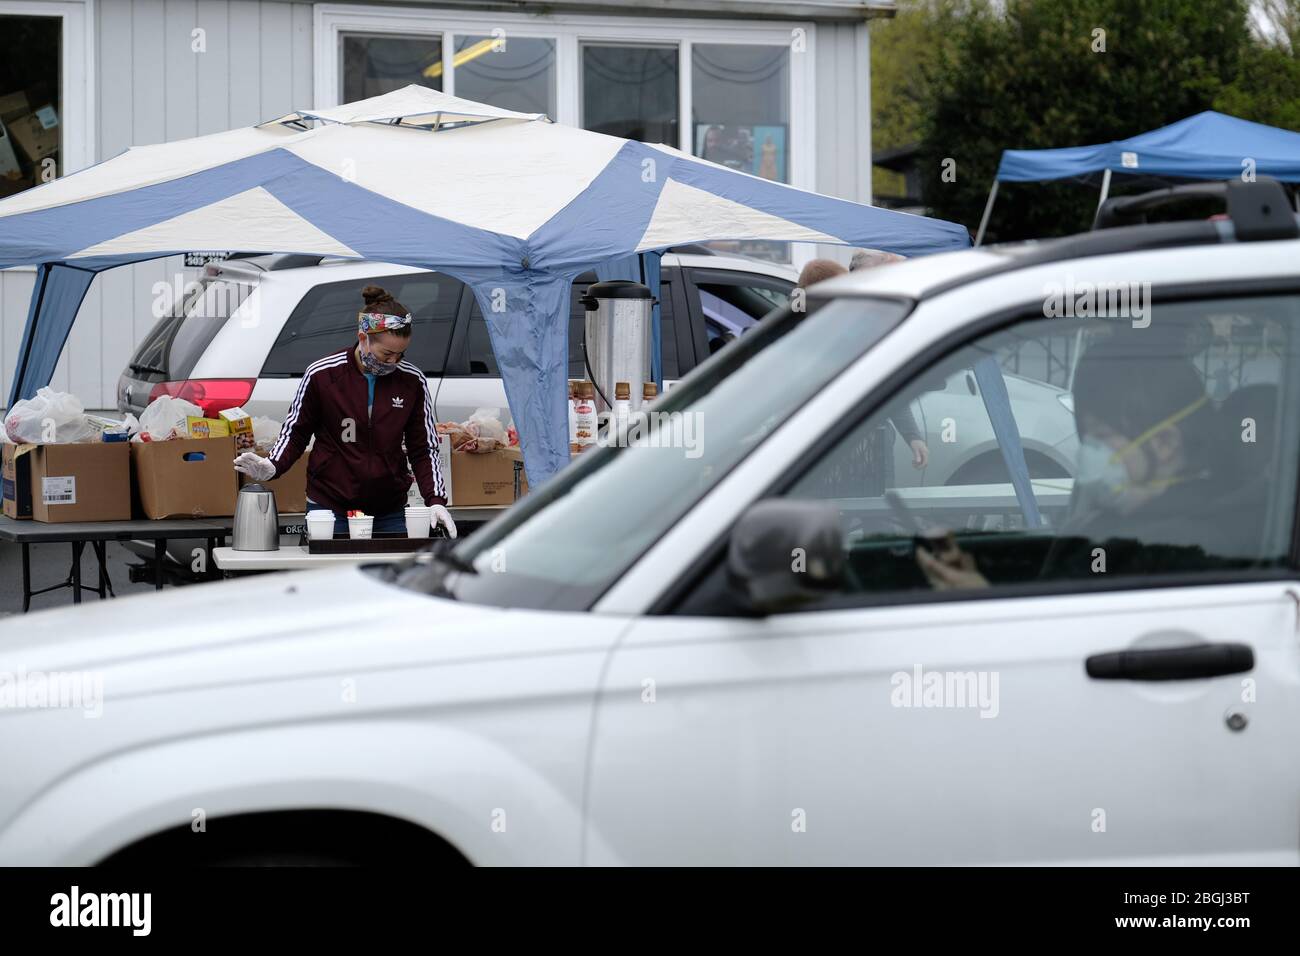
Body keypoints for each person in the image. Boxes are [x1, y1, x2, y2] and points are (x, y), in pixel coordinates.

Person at [917, 333, 1257, 589]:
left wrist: (982, 597)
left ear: (1165, 443)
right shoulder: (1124, 517)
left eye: (1103, 438)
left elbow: (1072, 642)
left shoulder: (1181, 545)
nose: (1089, 453)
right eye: (1088, 438)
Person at [233, 284, 456, 538]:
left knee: (386, 576)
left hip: (389, 508)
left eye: (400, 354)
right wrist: (273, 465)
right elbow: (296, 432)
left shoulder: (411, 381)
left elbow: (424, 447)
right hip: (330, 507)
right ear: (363, 339)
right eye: (386, 354)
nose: (393, 361)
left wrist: (435, 499)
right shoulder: (322, 374)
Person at [796, 257, 929, 472]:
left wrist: (913, 437)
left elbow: (885, 385)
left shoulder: (854, 330)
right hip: (832, 460)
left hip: (864, 455)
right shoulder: (804, 342)